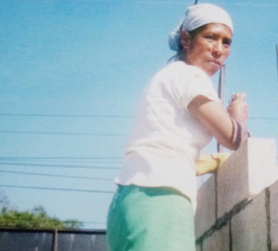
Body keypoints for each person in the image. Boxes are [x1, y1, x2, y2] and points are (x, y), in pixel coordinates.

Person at [106, 3, 248, 251]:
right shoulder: (189, 76)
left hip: (130, 202)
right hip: (160, 200)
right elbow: (232, 138)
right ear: (186, 39)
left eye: (226, 42)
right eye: (210, 37)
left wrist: (207, 163)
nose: (218, 50)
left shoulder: (167, 77)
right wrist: (238, 116)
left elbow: (163, 146)